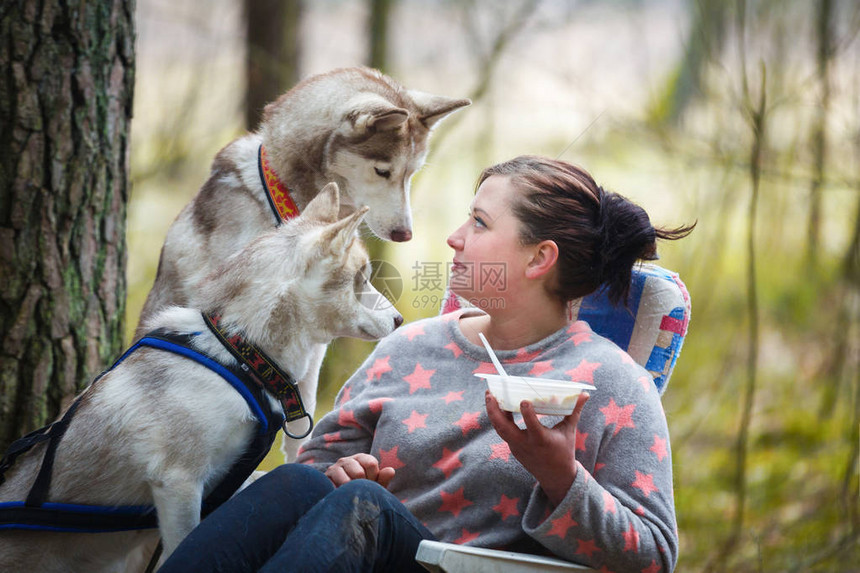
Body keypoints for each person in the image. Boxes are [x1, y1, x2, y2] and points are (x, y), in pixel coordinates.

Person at [159, 155, 694, 573]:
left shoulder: (612, 383)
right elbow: (318, 466)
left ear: (539, 259)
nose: (454, 238)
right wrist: (335, 472)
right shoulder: (411, 346)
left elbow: (652, 557)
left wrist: (559, 475)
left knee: (364, 506)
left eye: (480, 223)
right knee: (298, 487)